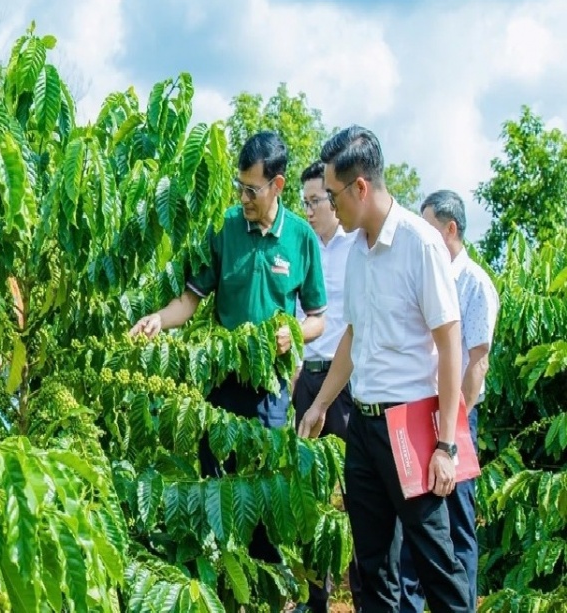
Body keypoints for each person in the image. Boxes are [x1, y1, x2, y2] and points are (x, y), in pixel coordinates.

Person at [130, 131, 327, 565]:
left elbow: (318, 318)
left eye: (252, 189)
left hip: (270, 389)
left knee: (262, 493)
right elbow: (189, 300)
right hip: (221, 383)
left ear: (277, 184)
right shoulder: (224, 228)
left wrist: (292, 333)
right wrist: (158, 320)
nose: (243, 196)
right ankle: (219, 583)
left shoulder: (300, 238)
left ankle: (262, 586)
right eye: (239, 186)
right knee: (216, 485)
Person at [297, 126, 473, 612]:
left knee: (436, 562)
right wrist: (321, 405)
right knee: (373, 568)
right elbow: (352, 336)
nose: (329, 206)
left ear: (360, 188)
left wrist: (445, 445)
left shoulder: (420, 244)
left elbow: (450, 342)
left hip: (412, 426)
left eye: (332, 195)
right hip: (365, 424)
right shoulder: (357, 252)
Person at [397, 190, 500, 612]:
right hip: (420, 413)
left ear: (450, 229)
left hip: (453, 421)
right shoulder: (429, 274)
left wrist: (452, 429)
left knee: (456, 523)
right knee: (415, 519)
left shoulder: (474, 283)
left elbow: (476, 364)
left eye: (430, 226)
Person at [291, 161, 361, 612]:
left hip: (349, 382)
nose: (311, 210)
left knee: (358, 493)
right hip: (307, 377)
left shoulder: (358, 246)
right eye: (306, 203)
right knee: (310, 495)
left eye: (317, 200)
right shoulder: (303, 248)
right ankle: (316, 597)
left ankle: (362, 596)